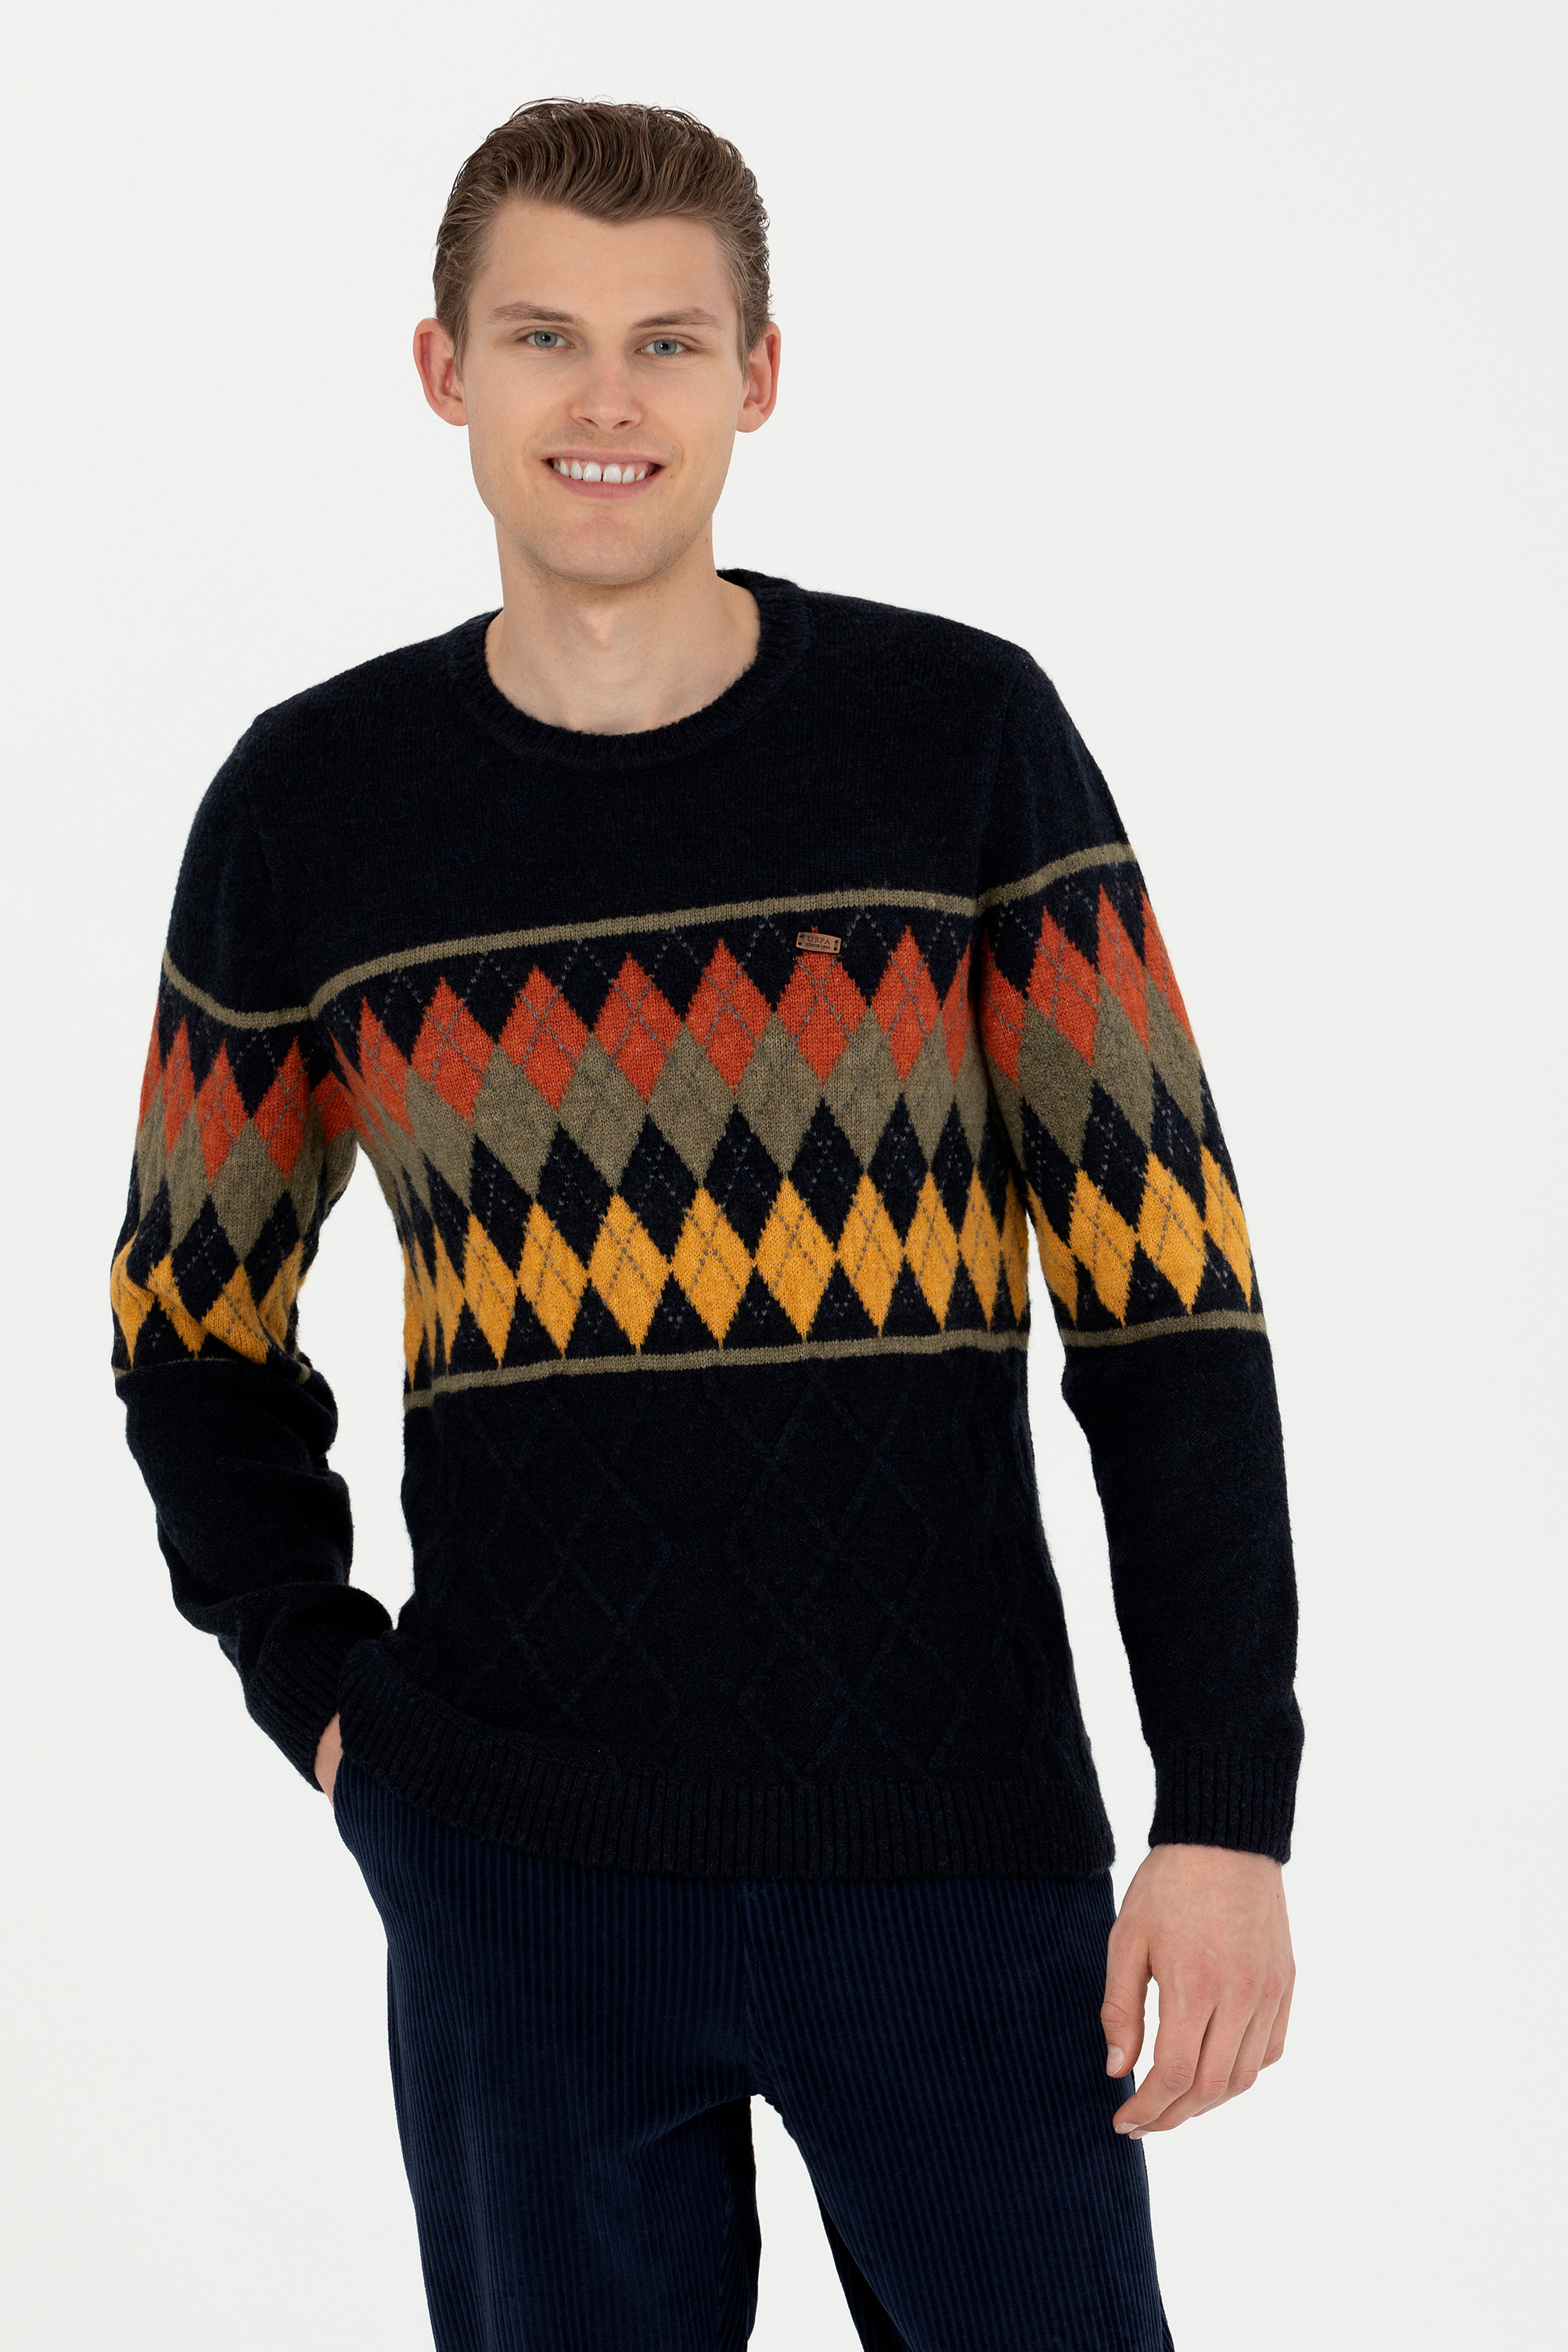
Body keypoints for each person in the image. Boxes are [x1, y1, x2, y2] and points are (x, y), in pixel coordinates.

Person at [110, 98, 1302, 2352]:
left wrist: (1225, 1806)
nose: (608, 399)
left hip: (951, 1862)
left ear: (758, 376)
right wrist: (329, 1702)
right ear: (444, 370)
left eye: (668, 341)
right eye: (543, 335)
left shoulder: (957, 737)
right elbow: (190, 1321)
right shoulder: (311, 807)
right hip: (517, 1876)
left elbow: (1166, 1303)